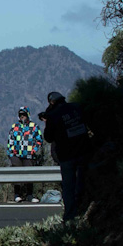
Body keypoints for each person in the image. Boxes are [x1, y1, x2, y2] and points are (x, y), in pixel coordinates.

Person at [41, 91, 92, 221]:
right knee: (82, 182)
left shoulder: (53, 115)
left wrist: (48, 119)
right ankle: (84, 211)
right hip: (84, 151)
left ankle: (70, 216)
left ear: (52, 102)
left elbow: (48, 137)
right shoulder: (77, 108)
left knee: (69, 187)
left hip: (67, 156)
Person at [7, 106, 44, 203]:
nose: (22, 116)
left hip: (29, 155)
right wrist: (11, 152)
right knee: (17, 173)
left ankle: (29, 195)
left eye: (24, 114)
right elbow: (10, 140)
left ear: (27, 115)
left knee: (29, 174)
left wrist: (34, 150)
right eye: (20, 115)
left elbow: (39, 140)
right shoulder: (14, 126)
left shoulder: (34, 126)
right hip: (16, 155)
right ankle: (17, 194)